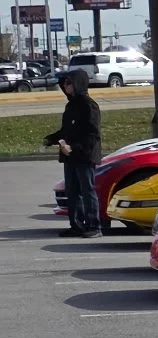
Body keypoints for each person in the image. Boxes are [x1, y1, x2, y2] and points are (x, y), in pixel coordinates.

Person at [43, 69, 102, 237]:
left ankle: (94, 226)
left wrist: (74, 147)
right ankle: (77, 225)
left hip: (84, 155)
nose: (65, 86)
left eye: (69, 83)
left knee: (87, 191)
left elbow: (92, 134)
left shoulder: (89, 106)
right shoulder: (71, 105)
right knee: (72, 192)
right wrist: (52, 139)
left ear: (78, 84)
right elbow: (67, 130)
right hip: (69, 157)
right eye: (64, 83)